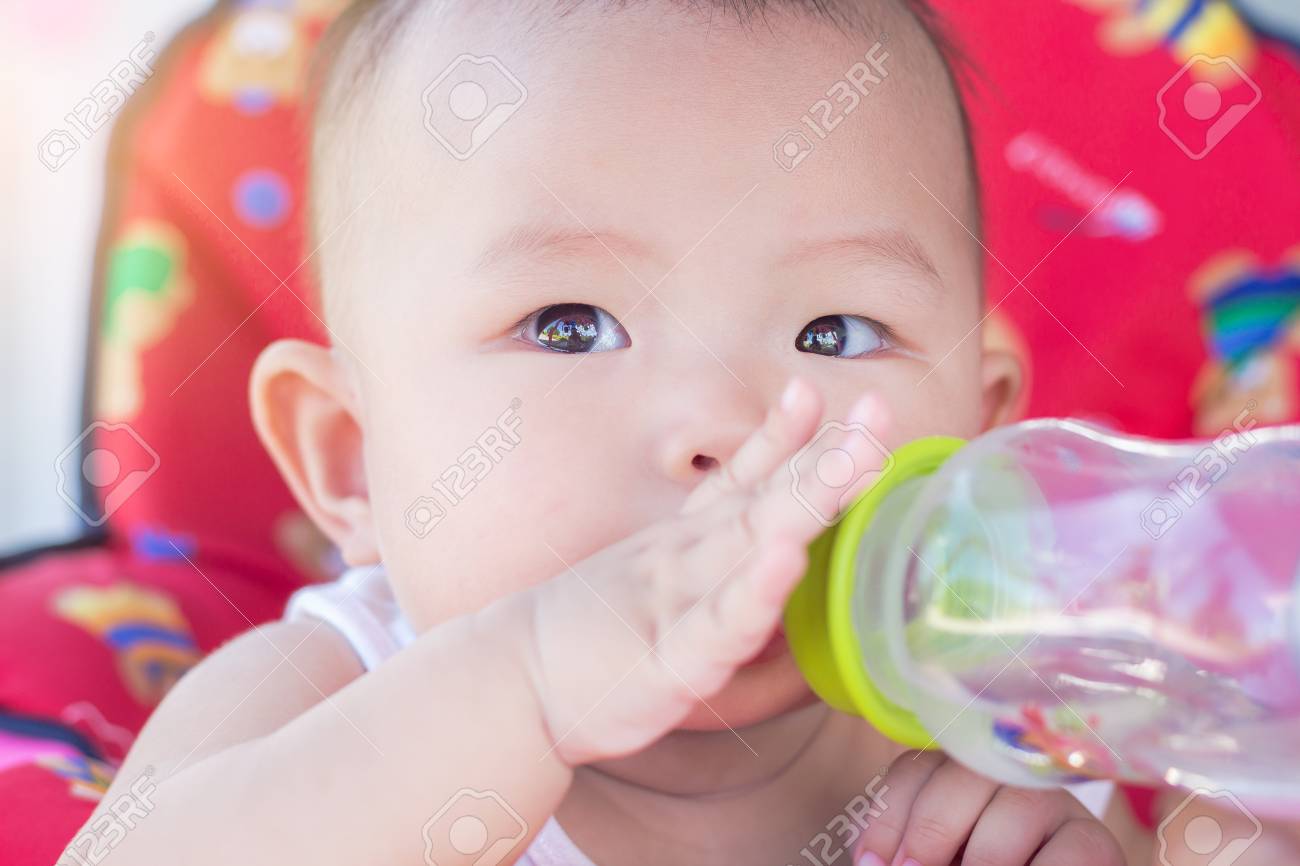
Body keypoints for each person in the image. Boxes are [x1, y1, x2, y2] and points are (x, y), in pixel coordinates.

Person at [73, 1, 1129, 863]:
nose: (723, 425)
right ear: (352, 455)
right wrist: (527, 681)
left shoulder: (1003, 728)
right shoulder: (331, 690)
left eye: (836, 331)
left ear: (985, 443)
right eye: (569, 327)